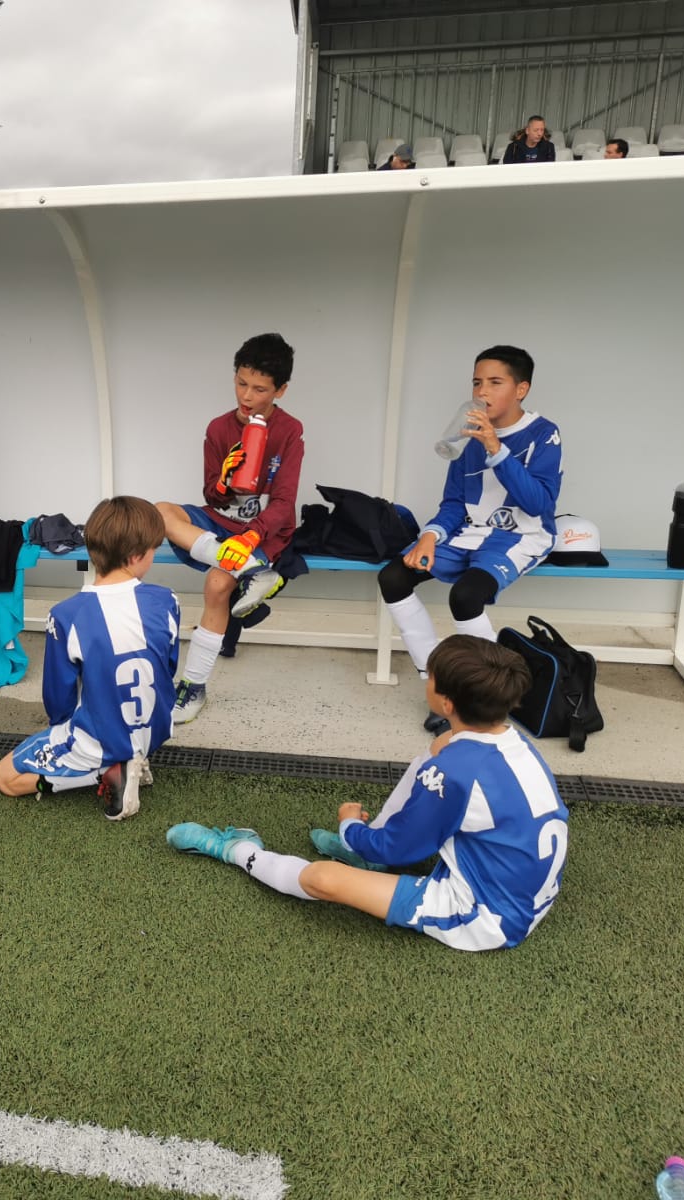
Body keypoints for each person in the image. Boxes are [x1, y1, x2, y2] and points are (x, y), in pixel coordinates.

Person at [166, 636, 568, 952]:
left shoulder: (452, 773)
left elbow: (398, 849)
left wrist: (350, 828)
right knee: (441, 745)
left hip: (486, 916)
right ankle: (363, 850)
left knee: (324, 879)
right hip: (524, 893)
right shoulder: (512, 742)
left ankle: (235, 848)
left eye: (429, 675)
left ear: (445, 700)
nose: (424, 679)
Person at [377, 344, 560, 734]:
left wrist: (495, 448)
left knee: (465, 595)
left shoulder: (544, 434)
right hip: (470, 534)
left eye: (496, 382)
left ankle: (487, 699)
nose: (484, 391)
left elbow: (538, 503)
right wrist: (429, 536)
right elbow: (454, 504)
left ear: (521, 388)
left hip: (520, 535)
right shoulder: (466, 434)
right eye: (478, 382)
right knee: (393, 576)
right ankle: (443, 689)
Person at [0, 496, 181, 821]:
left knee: (3, 777)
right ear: (136, 556)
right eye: (153, 549)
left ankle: (108, 771)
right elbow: (168, 667)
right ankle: (132, 755)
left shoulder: (66, 615)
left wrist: (62, 733)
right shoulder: (167, 601)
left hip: (99, 741)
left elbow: (58, 698)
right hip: (157, 727)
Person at [155, 333, 304, 724]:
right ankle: (249, 571)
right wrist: (221, 484)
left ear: (280, 390)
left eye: (259, 389)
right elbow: (209, 494)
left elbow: (286, 504)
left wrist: (253, 535)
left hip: (265, 531)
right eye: (241, 383)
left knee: (218, 585)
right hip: (220, 524)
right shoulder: (219, 428)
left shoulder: (289, 431)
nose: (246, 396)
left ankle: (193, 686)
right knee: (160, 512)